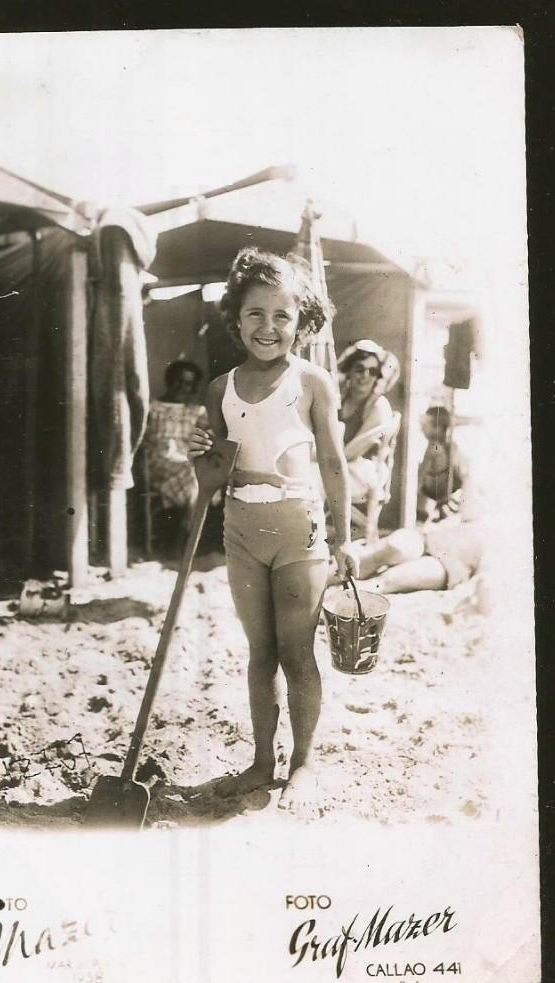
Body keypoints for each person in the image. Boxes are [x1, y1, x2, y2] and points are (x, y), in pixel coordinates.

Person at [188, 248, 359, 811]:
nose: (268, 327)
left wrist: (343, 538)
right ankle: (263, 760)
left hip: (298, 533)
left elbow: (333, 462)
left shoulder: (313, 382)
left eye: (282, 316)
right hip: (241, 528)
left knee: (297, 652)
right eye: (255, 314)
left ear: (303, 323)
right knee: (260, 653)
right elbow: (216, 470)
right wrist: (200, 461)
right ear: (235, 319)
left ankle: (303, 762)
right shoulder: (219, 389)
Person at [326, 478, 482, 596]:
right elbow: (467, 512)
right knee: (393, 547)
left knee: (385, 582)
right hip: (431, 537)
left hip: (453, 565)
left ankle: (337, 600)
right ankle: (322, 578)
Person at [337, 339, 400, 502]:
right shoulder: (341, 399)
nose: (365, 376)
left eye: (372, 371)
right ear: (349, 371)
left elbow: (351, 453)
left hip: (364, 471)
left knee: (313, 479)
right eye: (359, 369)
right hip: (339, 465)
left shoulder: (378, 406)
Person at [143, 360, 205, 514]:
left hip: (186, 463)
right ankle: (187, 534)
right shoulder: (152, 408)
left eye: (188, 383)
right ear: (169, 381)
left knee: (196, 478)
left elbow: (211, 439)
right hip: (157, 462)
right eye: (178, 381)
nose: (182, 387)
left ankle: (183, 530)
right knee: (194, 480)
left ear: (193, 387)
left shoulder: (197, 412)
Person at [417, 404, 468, 522]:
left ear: (438, 428)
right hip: (445, 490)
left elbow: (421, 475)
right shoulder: (450, 445)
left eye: (425, 425)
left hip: (435, 489)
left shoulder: (434, 448)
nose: (421, 428)